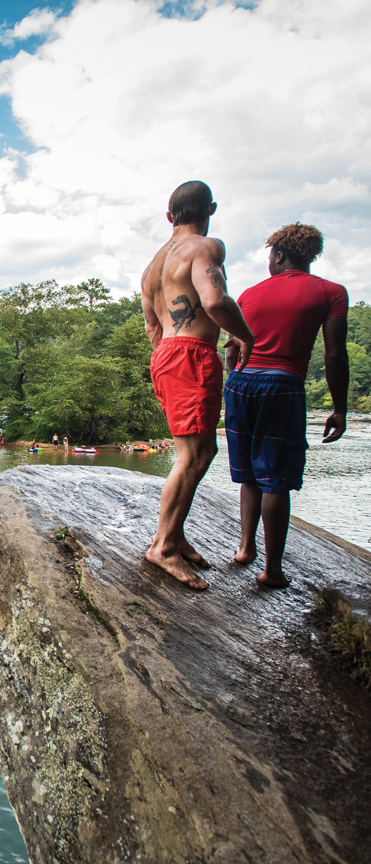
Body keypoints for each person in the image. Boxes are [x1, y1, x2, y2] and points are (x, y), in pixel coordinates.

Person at [140, 180, 255, 590]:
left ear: (170, 216)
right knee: (197, 453)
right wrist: (244, 335)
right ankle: (163, 547)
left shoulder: (152, 267)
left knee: (195, 450)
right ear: (211, 209)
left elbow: (153, 327)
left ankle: (175, 535)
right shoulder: (205, 248)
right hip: (191, 354)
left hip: (166, 355)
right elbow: (216, 301)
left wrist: (170, 359)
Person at [223, 223, 348, 588]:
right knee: (274, 479)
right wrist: (339, 408)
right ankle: (272, 571)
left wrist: (234, 381)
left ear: (278, 254)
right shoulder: (331, 293)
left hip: (242, 382)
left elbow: (231, 348)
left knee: (248, 472)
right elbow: (335, 353)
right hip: (283, 383)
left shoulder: (249, 294)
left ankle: (246, 549)